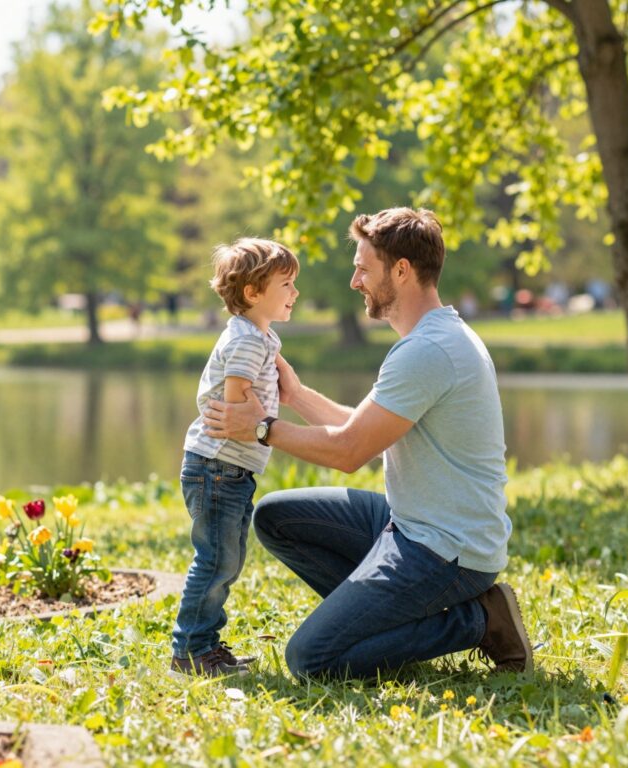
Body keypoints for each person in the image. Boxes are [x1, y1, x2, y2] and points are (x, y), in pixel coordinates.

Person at [202, 207, 532, 679]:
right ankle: (382, 620)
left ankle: (476, 622)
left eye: (363, 268)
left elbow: (349, 452)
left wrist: (260, 428)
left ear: (401, 270)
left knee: (310, 660)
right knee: (277, 517)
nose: (355, 281)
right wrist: (294, 397)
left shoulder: (427, 351)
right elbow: (365, 431)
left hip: (447, 551)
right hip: (412, 524)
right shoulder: (433, 337)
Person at [171, 237, 301, 677]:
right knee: (216, 559)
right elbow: (236, 405)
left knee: (226, 558)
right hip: (218, 466)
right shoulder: (246, 341)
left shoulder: (259, 336)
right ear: (252, 293)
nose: (295, 293)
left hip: (230, 468)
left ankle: (204, 644)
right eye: (286, 284)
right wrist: (266, 421)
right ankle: (189, 652)